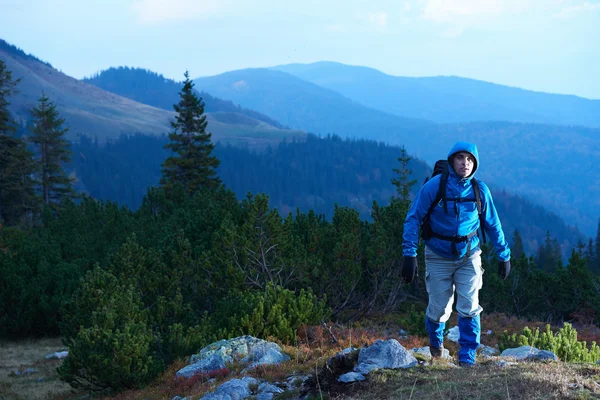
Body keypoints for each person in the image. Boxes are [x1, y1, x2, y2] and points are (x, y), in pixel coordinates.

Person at [401, 141, 511, 367]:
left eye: (470, 159)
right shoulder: (434, 187)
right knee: (439, 308)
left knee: (470, 306)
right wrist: (409, 255)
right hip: (437, 254)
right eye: (460, 158)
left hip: (469, 254)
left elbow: (492, 224)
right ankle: (436, 344)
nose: (465, 163)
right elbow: (413, 218)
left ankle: (467, 357)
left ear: (475, 163)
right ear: (452, 161)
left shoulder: (480, 190)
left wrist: (504, 255)